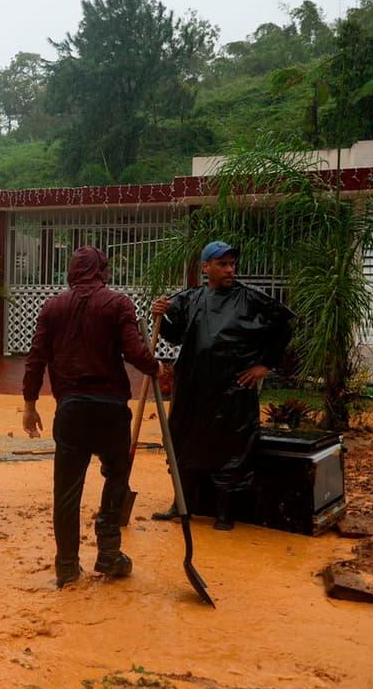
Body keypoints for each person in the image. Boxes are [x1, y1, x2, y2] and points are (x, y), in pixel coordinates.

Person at [21, 246, 160, 588]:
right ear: (102, 271)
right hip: (111, 411)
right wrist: (156, 366)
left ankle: (67, 566)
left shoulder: (52, 307)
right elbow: (135, 352)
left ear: (72, 271)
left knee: (66, 491)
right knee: (116, 476)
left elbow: (35, 358)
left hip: (71, 412)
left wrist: (29, 404)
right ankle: (109, 553)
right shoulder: (118, 304)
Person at [150, 241, 294, 530]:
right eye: (222, 264)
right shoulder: (190, 299)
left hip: (231, 391)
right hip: (192, 389)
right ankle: (181, 504)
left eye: (232, 264)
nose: (230, 269)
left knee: (230, 450)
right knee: (183, 444)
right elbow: (175, 335)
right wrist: (160, 317)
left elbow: (285, 325)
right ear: (206, 267)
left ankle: (224, 512)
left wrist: (265, 365)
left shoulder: (250, 299)